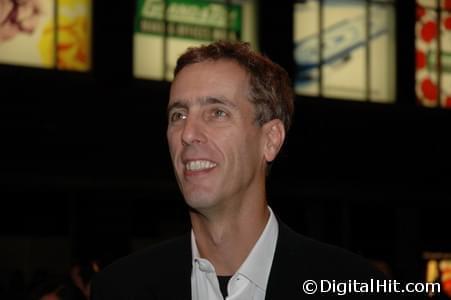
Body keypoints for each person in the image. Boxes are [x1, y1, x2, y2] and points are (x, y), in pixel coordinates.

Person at [91, 41, 399, 299]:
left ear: (270, 139)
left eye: (217, 112)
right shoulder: (120, 289)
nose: (187, 133)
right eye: (178, 115)